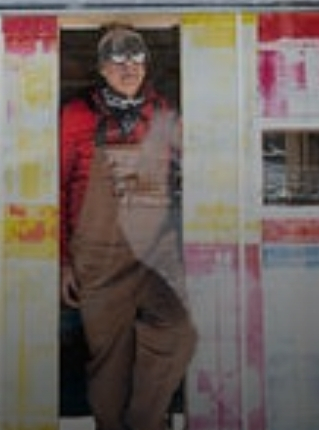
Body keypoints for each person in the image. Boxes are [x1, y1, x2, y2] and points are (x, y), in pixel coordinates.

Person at [59, 25, 195, 430]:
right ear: (102, 68)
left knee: (178, 332)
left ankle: (143, 421)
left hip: (155, 252)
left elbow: (197, 167)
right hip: (97, 255)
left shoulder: (164, 112)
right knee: (110, 359)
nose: (128, 66)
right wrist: (62, 261)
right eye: (117, 58)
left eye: (135, 56)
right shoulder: (77, 115)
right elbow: (53, 185)